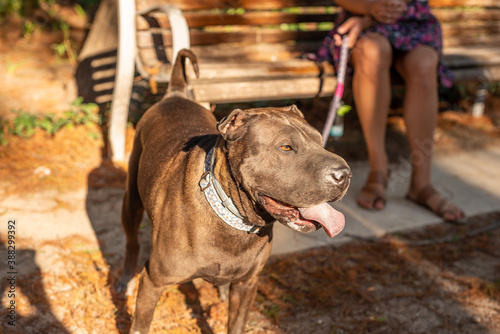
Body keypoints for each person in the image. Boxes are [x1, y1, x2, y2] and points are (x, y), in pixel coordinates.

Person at [314, 0, 465, 222]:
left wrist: (383, 13)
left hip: (413, 23)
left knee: (424, 62)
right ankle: (379, 170)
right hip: (366, 21)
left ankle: (422, 184)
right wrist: (368, 11)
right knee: (371, 50)